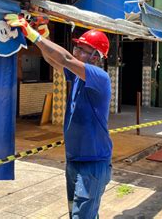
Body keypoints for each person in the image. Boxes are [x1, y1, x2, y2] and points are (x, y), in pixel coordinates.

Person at [6, 14, 113, 218]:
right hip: (74, 160)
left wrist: (33, 34)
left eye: (82, 49)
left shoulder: (100, 78)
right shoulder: (78, 76)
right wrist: (43, 36)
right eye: (76, 47)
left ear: (95, 57)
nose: (76, 51)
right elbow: (54, 60)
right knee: (78, 213)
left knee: (82, 216)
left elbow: (65, 59)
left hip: (93, 163)